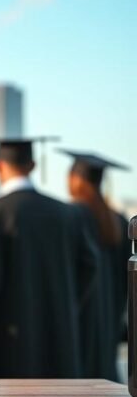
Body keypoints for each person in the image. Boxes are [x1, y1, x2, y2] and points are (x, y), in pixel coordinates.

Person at [0, 138, 98, 378]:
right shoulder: (67, 214)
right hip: (59, 333)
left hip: (4, 340)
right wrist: (66, 304)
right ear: (33, 166)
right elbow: (89, 265)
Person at [61, 149, 131, 381]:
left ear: (75, 179)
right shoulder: (118, 221)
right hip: (109, 318)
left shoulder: (69, 218)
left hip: (78, 321)